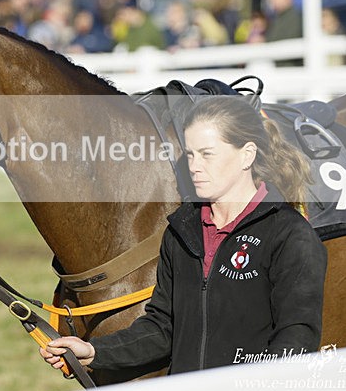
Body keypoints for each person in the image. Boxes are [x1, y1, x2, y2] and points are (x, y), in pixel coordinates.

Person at [41, 96, 327, 376]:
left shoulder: (290, 235)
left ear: (247, 155)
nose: (194, 166)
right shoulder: (181, 231)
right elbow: (162, 328)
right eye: (190, 154)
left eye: (207, 154)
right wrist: (94, 352)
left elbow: (296, 341)